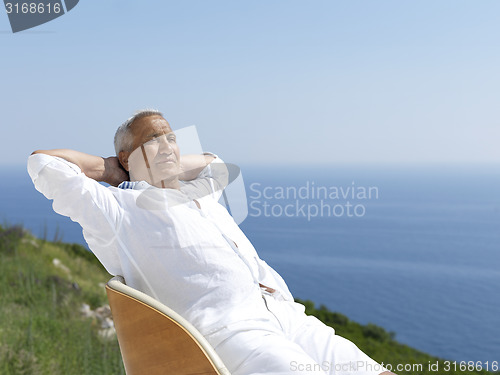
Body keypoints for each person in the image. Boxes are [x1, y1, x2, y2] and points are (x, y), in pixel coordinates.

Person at [28, 109, 395, 375]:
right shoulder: (119, 210)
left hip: (286, 314)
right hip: (236, 333)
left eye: (172, 137)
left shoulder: (201, 194)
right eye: (152, 141)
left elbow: (215, 162)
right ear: (126, 157)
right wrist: (111, 169)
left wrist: (163, 158)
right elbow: (43, 165)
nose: (169, 145)